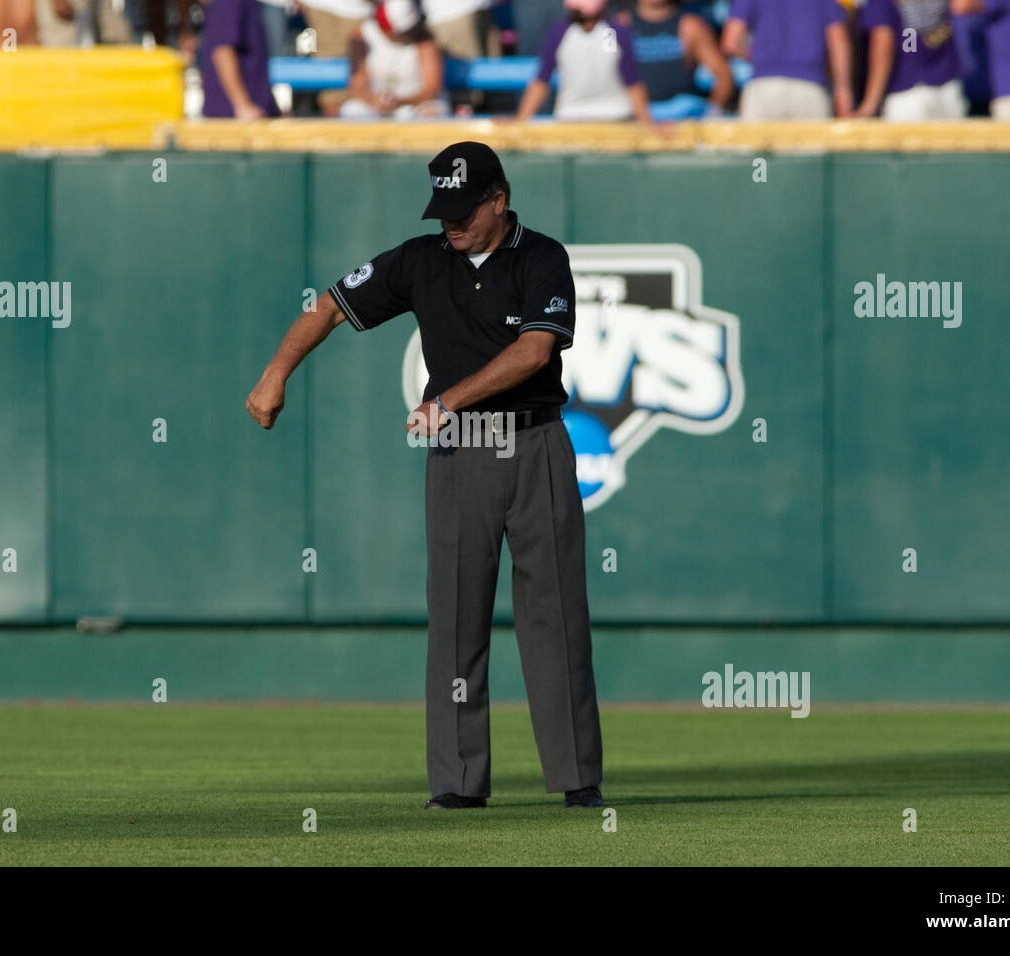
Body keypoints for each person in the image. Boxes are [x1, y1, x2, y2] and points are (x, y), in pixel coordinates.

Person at [246, 141, 606, 811]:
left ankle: (577, 777)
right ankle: (459, 783)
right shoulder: (419, 261)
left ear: (499, 199)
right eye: (443, 208)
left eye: (465, 209)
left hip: (534, 446)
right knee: (456, 618)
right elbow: (327, 304)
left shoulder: (542, 257)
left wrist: (447, 401)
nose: (452, 222)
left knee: (553, 617)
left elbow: (534, 352)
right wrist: (276, 373)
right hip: (460, 457)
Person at [515, 0, 654, 125]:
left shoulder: (612, 32)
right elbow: (541, 81)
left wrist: (648, 124)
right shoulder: (560, 32)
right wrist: (520, 122)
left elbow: (632, 81)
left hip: (615, 117)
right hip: (572, 118)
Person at [722, 0, 853, 118]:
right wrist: (843, 89)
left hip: (763, 87)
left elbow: (730, 43)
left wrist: (763, 58)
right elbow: (838, 42)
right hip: (810, 87)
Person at [621, 0, 734, 118]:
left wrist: (710, 113)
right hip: (633, 115)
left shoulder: (690, 26)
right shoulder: (619, 25)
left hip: (683, 116)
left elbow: (724, 76)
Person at [856, 0, 965, 119]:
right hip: (948, 87)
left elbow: (883, 45)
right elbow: (962, 5)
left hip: (908, 94)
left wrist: (870, 105)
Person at [340, 0, 448, 118]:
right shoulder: (362, 36)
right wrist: (373, 100)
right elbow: (358, 85)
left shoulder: (424, 38)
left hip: (415, 103)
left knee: (428, 113)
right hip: (376, 103)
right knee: (352, 110)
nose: (410, 33)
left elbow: (431, 89)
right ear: (386, 29)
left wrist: (400, 102)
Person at [200, 0, 281, 118]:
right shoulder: (228, 3)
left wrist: (273, 109)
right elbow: (222, 52)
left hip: (254, 113)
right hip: (233, 119)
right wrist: (242, 105)